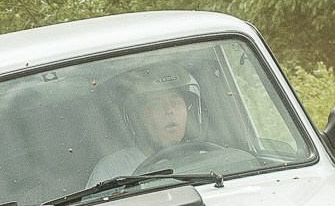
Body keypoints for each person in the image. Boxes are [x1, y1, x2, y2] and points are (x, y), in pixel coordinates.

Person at [87, 64, 248, 184]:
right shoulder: (112, 172)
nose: (169, 110)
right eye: (156, 105)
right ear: (137, 119)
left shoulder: (214, 161)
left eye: (176, 102)